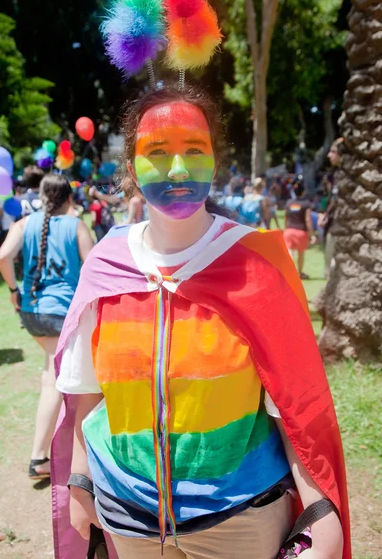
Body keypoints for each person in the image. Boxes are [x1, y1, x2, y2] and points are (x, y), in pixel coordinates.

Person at [52, 86, 350, 559]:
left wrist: (318, 507)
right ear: (131, 168)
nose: (177, 169)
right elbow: (86, 394)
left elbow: (294, 408)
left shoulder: (258, 264)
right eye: (157, 152)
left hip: (242, 519)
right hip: (129, 519)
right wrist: (81, 481)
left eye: (195, 150)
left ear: (215, 161)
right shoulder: (105, 265)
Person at [0, 174, 94, 479]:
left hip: (32, 311)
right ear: (69, 199)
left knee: (52, 375)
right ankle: (39, 458)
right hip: (62, 314)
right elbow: (94, 268)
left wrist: (14, 290)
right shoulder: (76, 225)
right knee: (54, 380)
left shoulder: (24, 223)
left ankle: (51, 450)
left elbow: (3, 256)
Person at [283, 179, 316, 280]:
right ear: (304, 191)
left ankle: (290, 273)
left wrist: (285, 228)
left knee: (290, 253)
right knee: (301, 254)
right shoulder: (306, 204)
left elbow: (285, 217)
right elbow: (308, 220)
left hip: (289, 231)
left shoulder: (289, 203)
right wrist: (312, 234)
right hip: (301, 232)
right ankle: (299, 273)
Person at [322, 138, 342, 279]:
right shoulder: (333, 175)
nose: (329, 155)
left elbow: (336, 199)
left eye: (333, 152)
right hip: (333, 220)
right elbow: (332, 198)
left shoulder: (348, 176)